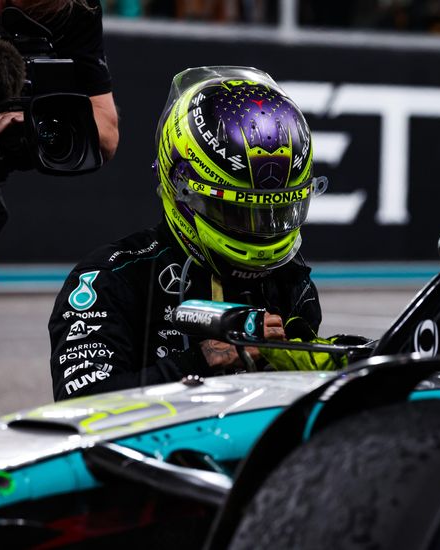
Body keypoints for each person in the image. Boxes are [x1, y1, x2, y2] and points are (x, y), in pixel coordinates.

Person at [48, 66, 336, 401]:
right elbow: (81, 404)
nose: (259, 230)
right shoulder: (111, 279)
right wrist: (200, 360)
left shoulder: (291, 279)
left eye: (276, 211)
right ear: (181, 187)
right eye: (237, 211)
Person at [0, 0, 119, 430]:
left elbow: (105, 133)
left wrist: (35, 117)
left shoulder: (75, 8)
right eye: (11, 8)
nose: (22, 20)